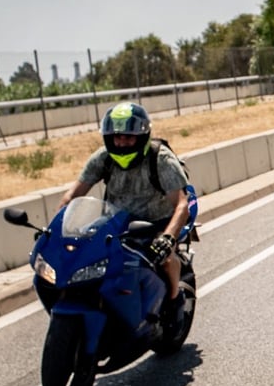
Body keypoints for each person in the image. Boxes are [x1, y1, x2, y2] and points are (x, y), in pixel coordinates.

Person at [60, 102, 190, 322]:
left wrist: (168, 237)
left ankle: (174, 301)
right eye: (117, 137)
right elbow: (73, 194)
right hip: (115, 221)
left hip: (156, 222)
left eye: (129, 137)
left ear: (142, 136)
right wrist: (59, 226)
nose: (121, 143)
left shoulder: (161, 160)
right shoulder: (103, 158)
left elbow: (181, 204)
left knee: (166, 259)